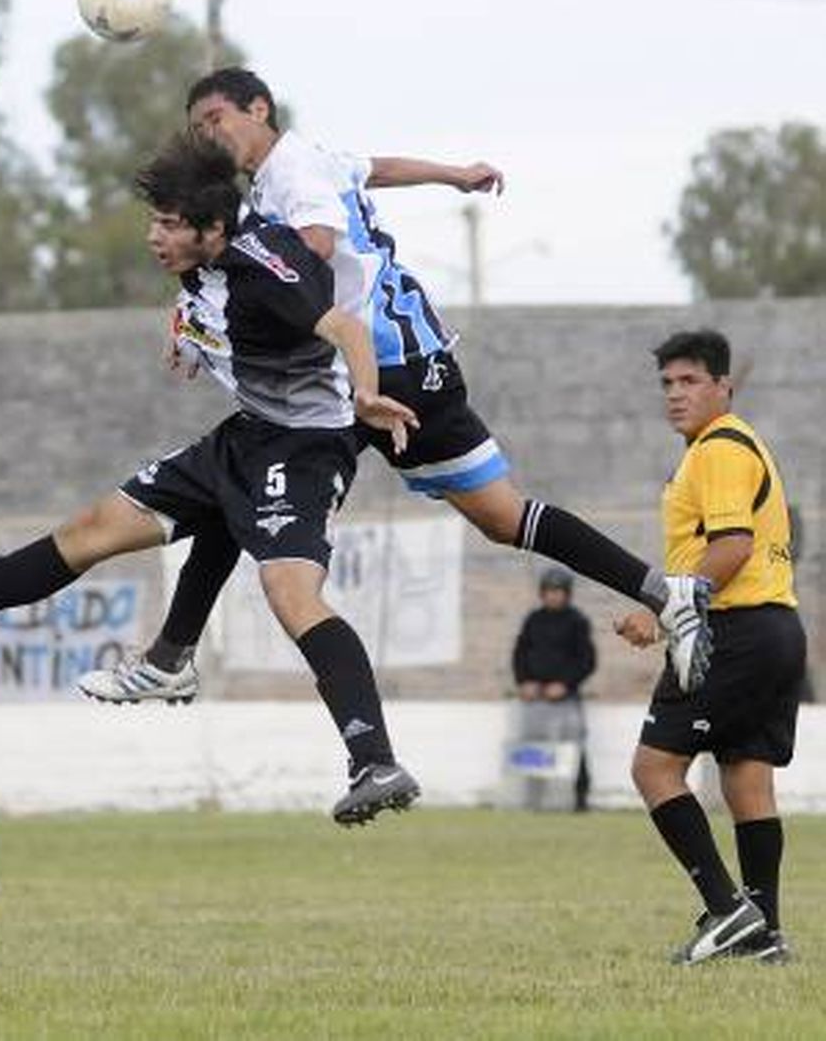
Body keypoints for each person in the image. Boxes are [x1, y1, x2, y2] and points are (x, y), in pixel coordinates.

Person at [0, 137, 421, 827]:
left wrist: (365, 393)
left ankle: (375, 759)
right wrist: (188, 326)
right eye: (155, 220)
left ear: (212, 229)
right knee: (88, 531)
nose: (155, 236)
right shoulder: (207, 263)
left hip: (302, 448)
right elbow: (213, 301)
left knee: (291, 593)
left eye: (169, 224)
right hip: (243, 435)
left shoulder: (269, 276)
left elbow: (346, 327)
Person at [104, 66, 711, 703]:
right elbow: (377, 167)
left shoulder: (290, 174)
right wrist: (453, 173)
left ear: (259, 110)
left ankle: (172, 656)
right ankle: (666, 593)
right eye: (197, 127)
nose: (208, 136)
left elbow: (312, 244)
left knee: (245, 473)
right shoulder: (311, 160)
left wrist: (229, 310)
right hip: (417, 357)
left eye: (215, 120)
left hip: (376, 370)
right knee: (504, 516)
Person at [615, 329, 806, 966]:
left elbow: (731, 547)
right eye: (667, 383)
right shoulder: (732, 444)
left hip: (736, 629)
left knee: (653, 768)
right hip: (776, 627)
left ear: (724, 386)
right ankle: (765, 935)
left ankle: (728, 910)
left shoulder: (719, 449)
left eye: (690, 380)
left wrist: (664, 613)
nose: (675, 394)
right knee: (748, 782)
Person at [512, 567, 595, 811]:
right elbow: (520, 654)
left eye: (558, 591)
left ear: (567, 593)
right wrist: (523, 682)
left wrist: (565, 684)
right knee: (534, 747)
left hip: (566, 699)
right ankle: (533, 798)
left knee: (574, 748)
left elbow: (587, 661)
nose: (553, 596)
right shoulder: (533, 619)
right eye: (549, 591)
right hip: (535, 698)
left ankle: (579, 800)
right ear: (542, 593)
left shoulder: (578, 622)